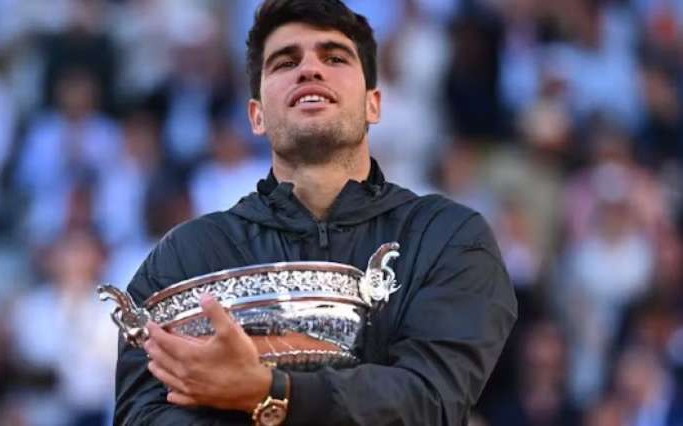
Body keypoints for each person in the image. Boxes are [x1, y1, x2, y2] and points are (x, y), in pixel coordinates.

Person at [114, 0, 517, 424]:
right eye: (285, 62)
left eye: (334, 57)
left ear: (373, 105)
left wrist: (265, 391)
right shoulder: (189, 256)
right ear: (256, 115)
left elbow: (430, 399)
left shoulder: (445, 237)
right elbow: (142, 416)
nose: (309, 68)